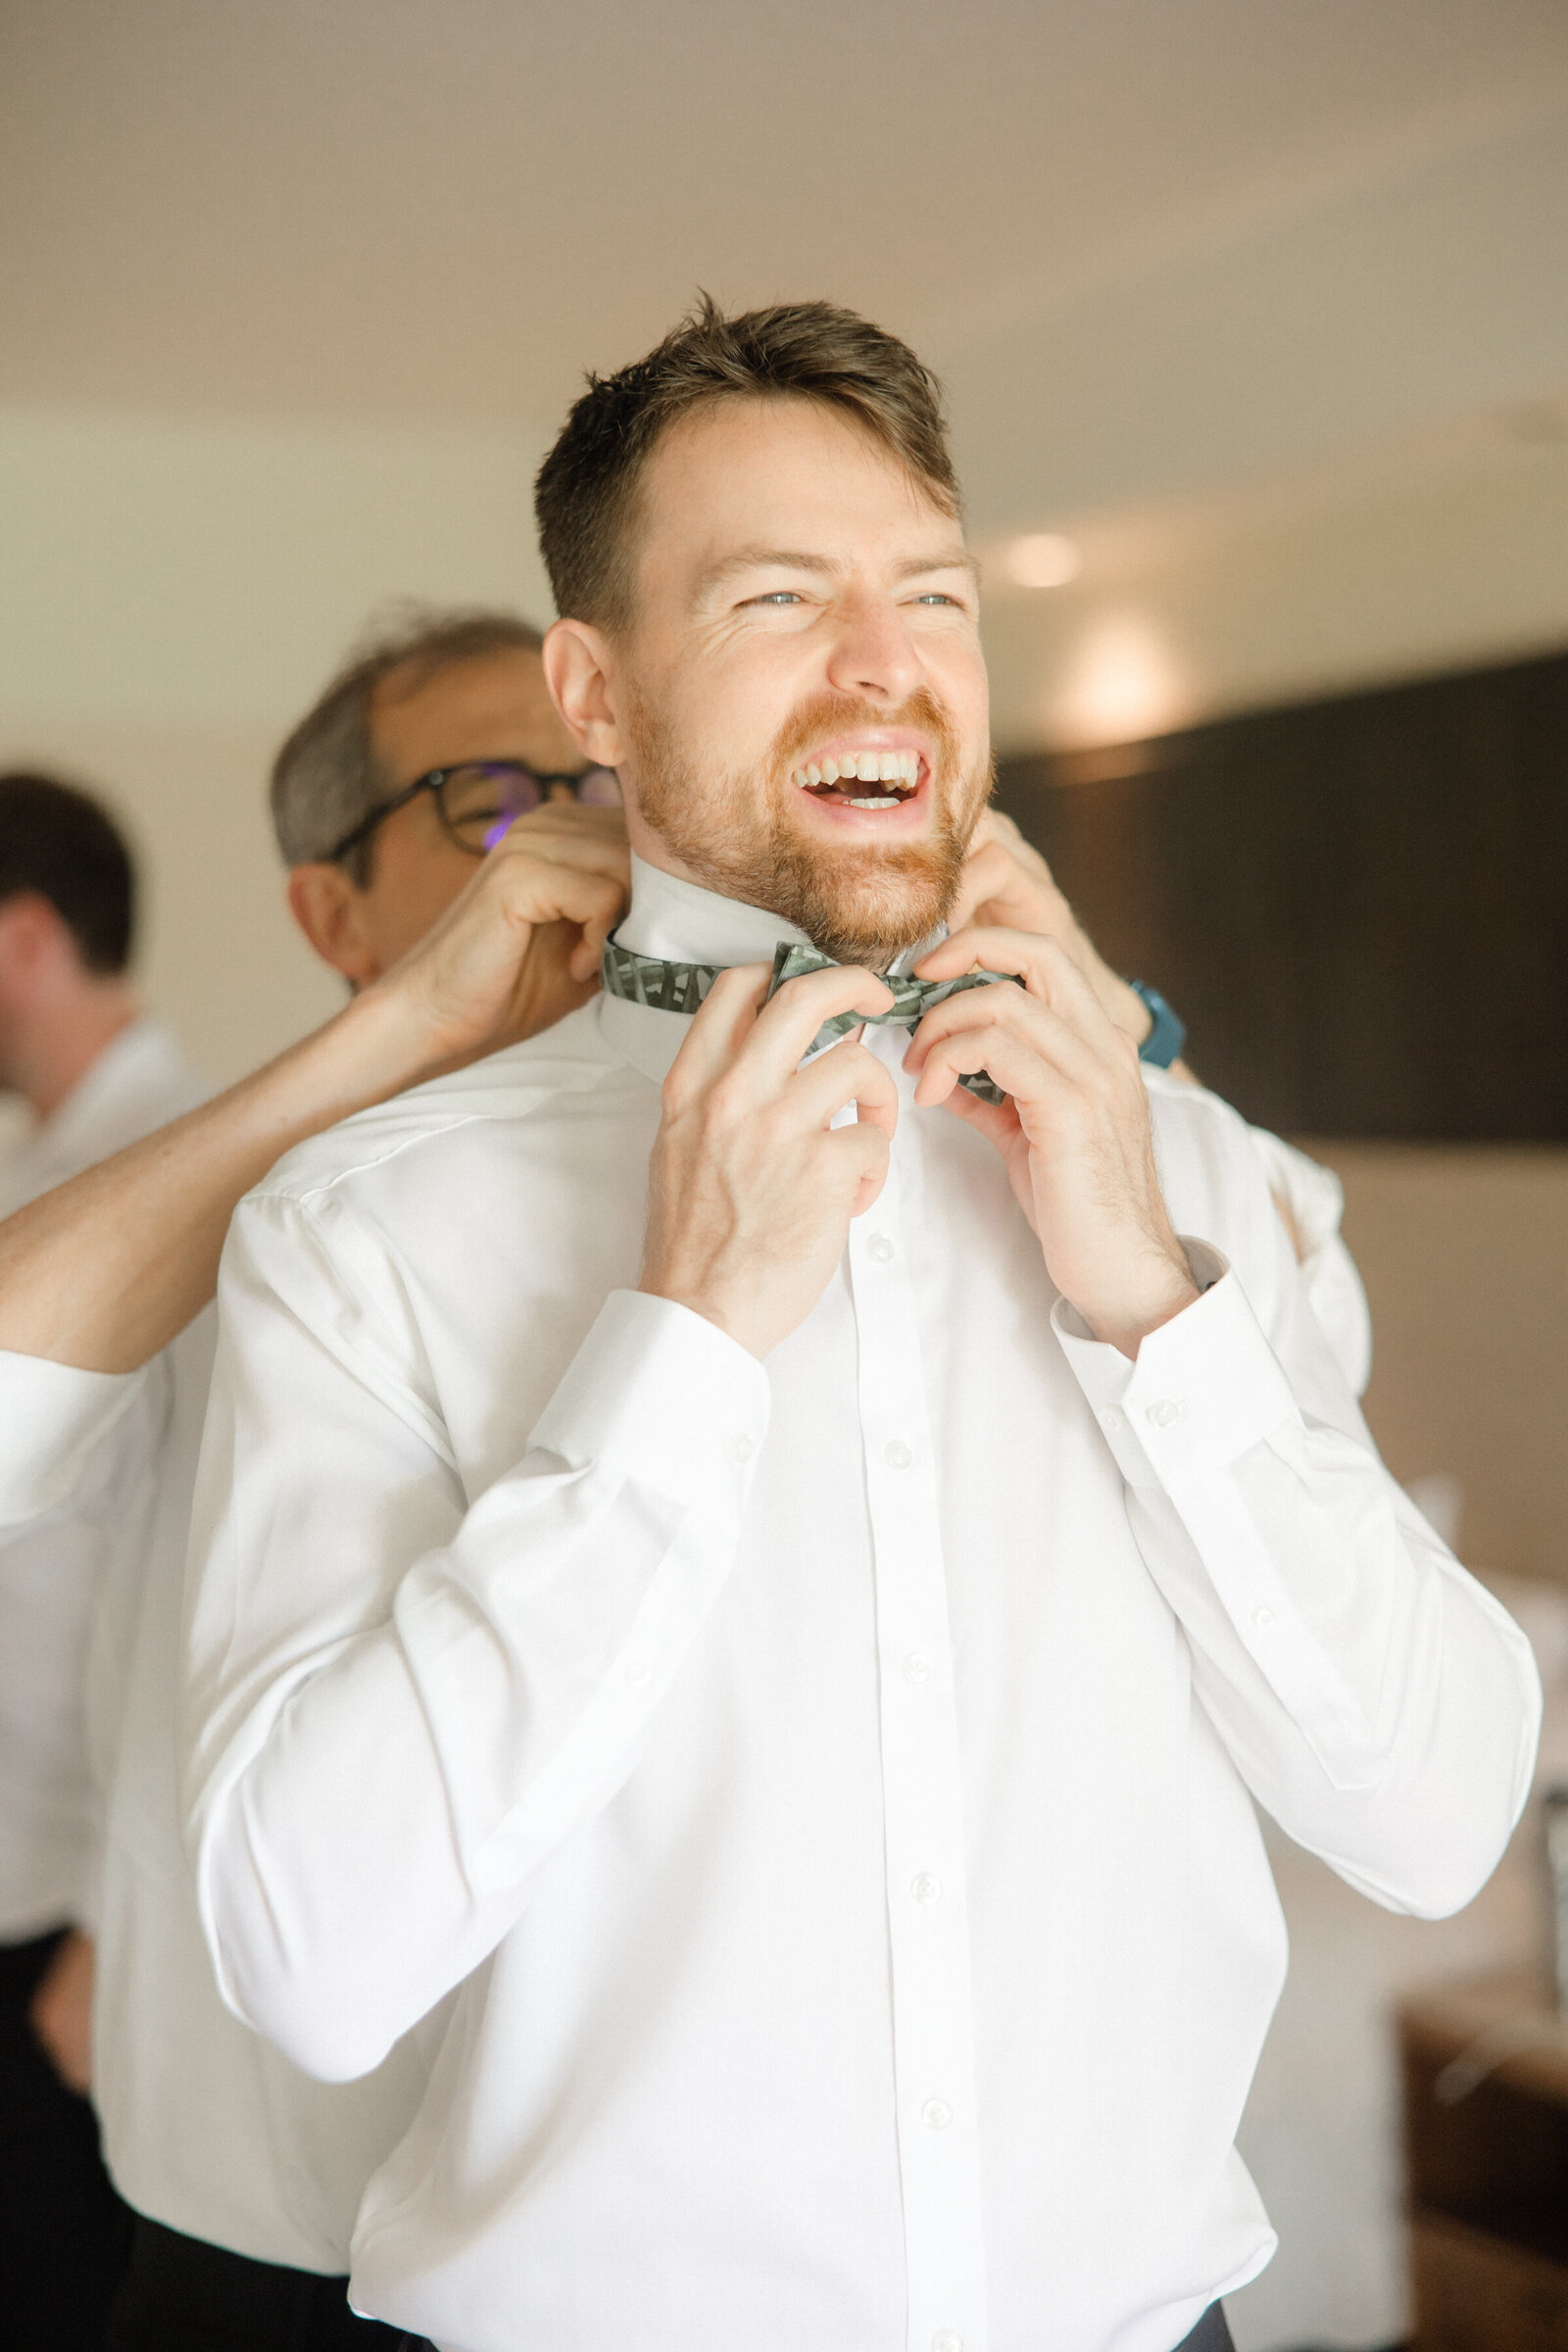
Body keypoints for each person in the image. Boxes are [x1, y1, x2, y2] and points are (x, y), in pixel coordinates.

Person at [181, 302, 1538, 2352]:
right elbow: (304, 1953)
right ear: (594, 691)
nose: (882, 660)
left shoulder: (1208, 1182)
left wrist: (1151, 1306)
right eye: (776, 598)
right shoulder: (367, 1231)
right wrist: (678, 1343)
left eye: (927, 593)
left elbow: (1438, 1824)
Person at [0, 612, 628, 2350]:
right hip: (282, 2223)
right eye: (496, 793)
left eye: (604, 780)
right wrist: (423, 1032)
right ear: (331, 915)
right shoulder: (237, 1214)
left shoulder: (706, 1168)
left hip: (615, 2245)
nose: (584, 830)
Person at [0, 771, 206, 2348]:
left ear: (20, 942)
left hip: (81, 1938)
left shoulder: (179, 1178)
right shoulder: (44, 1168)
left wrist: (113, 1931)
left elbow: (208, 1572)